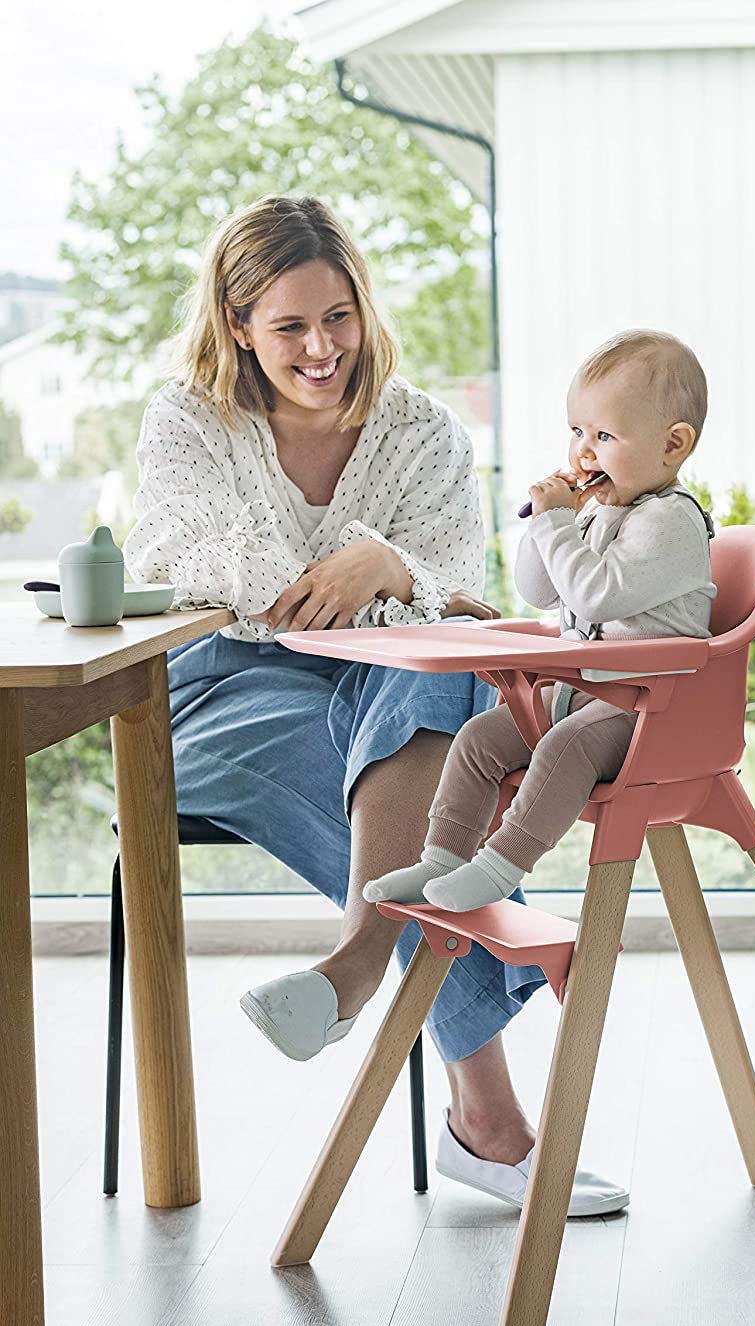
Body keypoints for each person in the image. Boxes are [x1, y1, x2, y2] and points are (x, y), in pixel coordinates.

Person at [124, 194, 626, 1214]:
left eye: (338, 317)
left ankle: (353, 972)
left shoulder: (422, 430)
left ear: (363, 306)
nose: (321, 348)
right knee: (403, 800)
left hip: (384, 678)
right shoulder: (187, 418)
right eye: (289, 326)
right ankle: (488, 1124)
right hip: (226, 681)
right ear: (236, 325)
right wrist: (336, 569)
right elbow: (173, 552)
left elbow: (456, 588)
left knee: (427, 684)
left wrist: (389, 562)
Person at [365, 329, 716, 913]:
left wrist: (556, 525)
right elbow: (540, 591)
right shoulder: (604, 511)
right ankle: (443, 858)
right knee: (480, 738)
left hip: (656, 706)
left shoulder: (670, 521)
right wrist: (548, 524)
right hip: (591, 690)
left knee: (564, 747)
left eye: (605, 436)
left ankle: (502, 866)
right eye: (577, 432)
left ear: (673, 445)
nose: (583, 451)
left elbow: (598, 596)